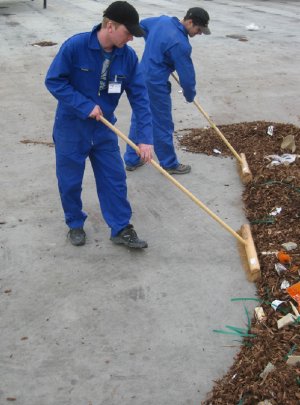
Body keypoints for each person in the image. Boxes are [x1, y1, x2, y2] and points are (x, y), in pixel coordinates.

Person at [45, 1, 153, 248]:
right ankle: (74, 223)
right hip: (72, 128)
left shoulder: (127, 57)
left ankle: (121, 227)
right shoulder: (76, 46)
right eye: (128, 33)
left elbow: (140, 98)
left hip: (104, 130)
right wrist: (84, 105)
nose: (131, 40)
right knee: (70, 180)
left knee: (114, 178)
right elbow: (54, 81)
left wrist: (145, 138)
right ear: (110, 26)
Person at [124, 7, 211, 174]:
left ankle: (132, 158)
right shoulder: (180, 43)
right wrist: (189, 94)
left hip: (140, 77)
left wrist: (156, 47)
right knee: (163, 123)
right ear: (190, 22)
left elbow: (142, 26)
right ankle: (169, 163)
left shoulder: (163, 21)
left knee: (140, 117)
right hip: (155, 84)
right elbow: (187, 76)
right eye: (198, 29)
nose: (199, 33)